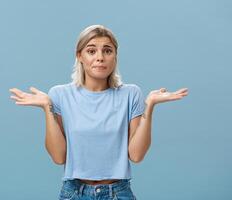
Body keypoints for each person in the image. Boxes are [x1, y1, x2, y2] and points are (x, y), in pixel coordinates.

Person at [9, 24, 189, 200]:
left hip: (118, 193)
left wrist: (149, 106)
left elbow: (136, 155)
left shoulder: (130, 94)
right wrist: (47, 107)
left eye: (107, 51)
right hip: (74, 193)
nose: (100, 57)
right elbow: (58, 157)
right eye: (91, 50)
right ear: (79, 56)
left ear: (115, 56)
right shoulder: (59, 95)